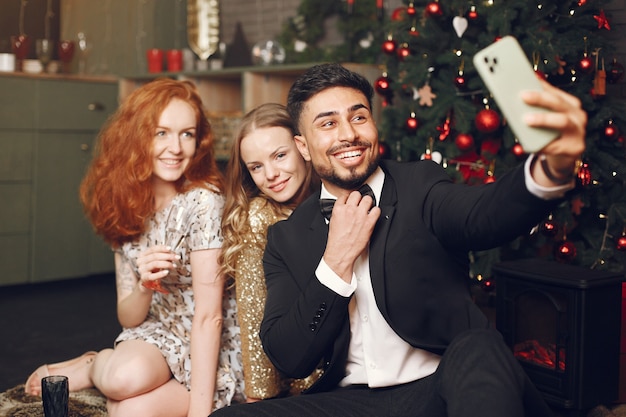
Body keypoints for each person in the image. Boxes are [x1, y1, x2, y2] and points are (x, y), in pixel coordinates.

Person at [211, 62, 586, 417]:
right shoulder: (286, 237)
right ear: (304, 147)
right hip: (351, 402)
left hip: (439, 387)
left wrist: (549, 169)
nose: (348, 134)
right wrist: (336, 261)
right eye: (328, 124)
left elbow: (485, 214)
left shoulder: (420, 185)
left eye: (358, 117)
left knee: (481, 346)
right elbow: (288, 355)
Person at [24, 78, 244, 417]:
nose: (176, 147)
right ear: (136, 137)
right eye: (161, 133)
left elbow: (209, 317)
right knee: (120, 379)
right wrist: (145, 285)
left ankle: (101, 371)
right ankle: (92, 364)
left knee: (127, 412)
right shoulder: (123, 206)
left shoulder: (202, 204)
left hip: (211, 344)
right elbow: (128, 315)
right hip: (158, 335)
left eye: (187, 133)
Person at [219, 103, 319, 402]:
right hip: (301, 376)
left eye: (279, 155)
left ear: (302, 147)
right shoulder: (259, 217)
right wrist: (260, 396)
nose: (272, 174)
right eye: (256, 167)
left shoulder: (334, 196)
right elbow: (254, 311)